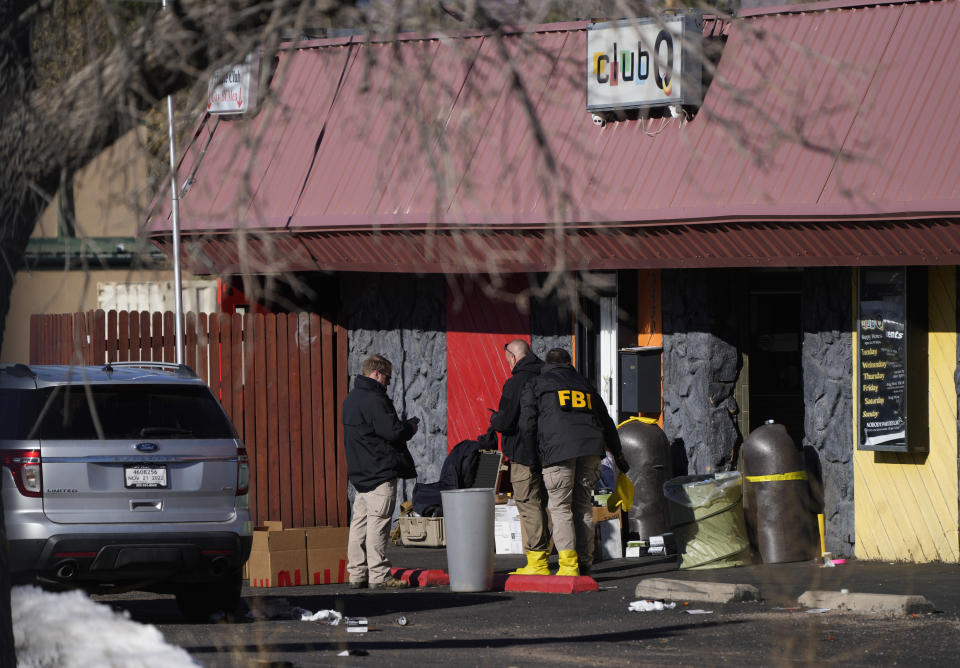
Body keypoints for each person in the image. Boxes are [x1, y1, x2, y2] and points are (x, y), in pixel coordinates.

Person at [519, 347, 629, 576]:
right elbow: (606, 422)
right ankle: (585, 562)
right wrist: (618, 455)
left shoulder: (537, 384)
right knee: (583, 505)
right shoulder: (584, 384)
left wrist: (532, 461)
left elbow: (527, 425)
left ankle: (568, 566)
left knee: (560, 507)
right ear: (570, 363)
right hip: (591, 449)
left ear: (547, 364)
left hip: (557, 452)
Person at [342, 354, 419, 589]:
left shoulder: (351, 398)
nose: (388, 382)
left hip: (360, 473)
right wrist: (410, 427)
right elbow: (393, 432)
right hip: (380, 471)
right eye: (388, 377)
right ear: (377, 374)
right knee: (378, 524)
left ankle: (356, 573)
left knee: (359, 525)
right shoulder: (374, 400)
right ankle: (379, 575)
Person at [487, 339, 550, 575]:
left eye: (508, 361)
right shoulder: (548, 377)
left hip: (524, 451)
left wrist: (494, 420)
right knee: (551, 505)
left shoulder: (516, 382)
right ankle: (562, 557)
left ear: (513, 357)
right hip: (552, 452)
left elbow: (505, 420)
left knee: (528, 503)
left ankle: (537, 561)